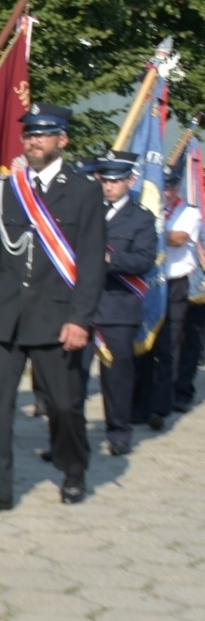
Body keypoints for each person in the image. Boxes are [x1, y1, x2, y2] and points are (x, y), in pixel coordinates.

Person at [0, 103, 105, 511]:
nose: (33, 140)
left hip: (56, 316)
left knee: (64, 405)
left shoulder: (84, 190)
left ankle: (74, 468)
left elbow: (93, 260)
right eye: (28, 134)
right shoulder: (9, 188)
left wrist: (81, 318)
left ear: (62, 140)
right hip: (5, 315)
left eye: (42, 134)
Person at [86, 151, 156, 456]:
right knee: (71, 376)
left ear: (130, 180)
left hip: (117, 307)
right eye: (105, 179)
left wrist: (109, 259)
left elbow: (144, 260)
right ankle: (68, 438)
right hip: (81, 306)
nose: (109, 186)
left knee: (116, 378)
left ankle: (118, 431)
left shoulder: (141, 218)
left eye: (116, 180)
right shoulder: (86, 210)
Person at [149, 167, 205, 413]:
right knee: (161, 338)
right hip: (161, 279)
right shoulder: (160, 208)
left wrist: (148, 232)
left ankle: (181, 391)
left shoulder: (189, 210)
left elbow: (178, 238)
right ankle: (159, 391)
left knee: (191, 338)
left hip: (192, 280)